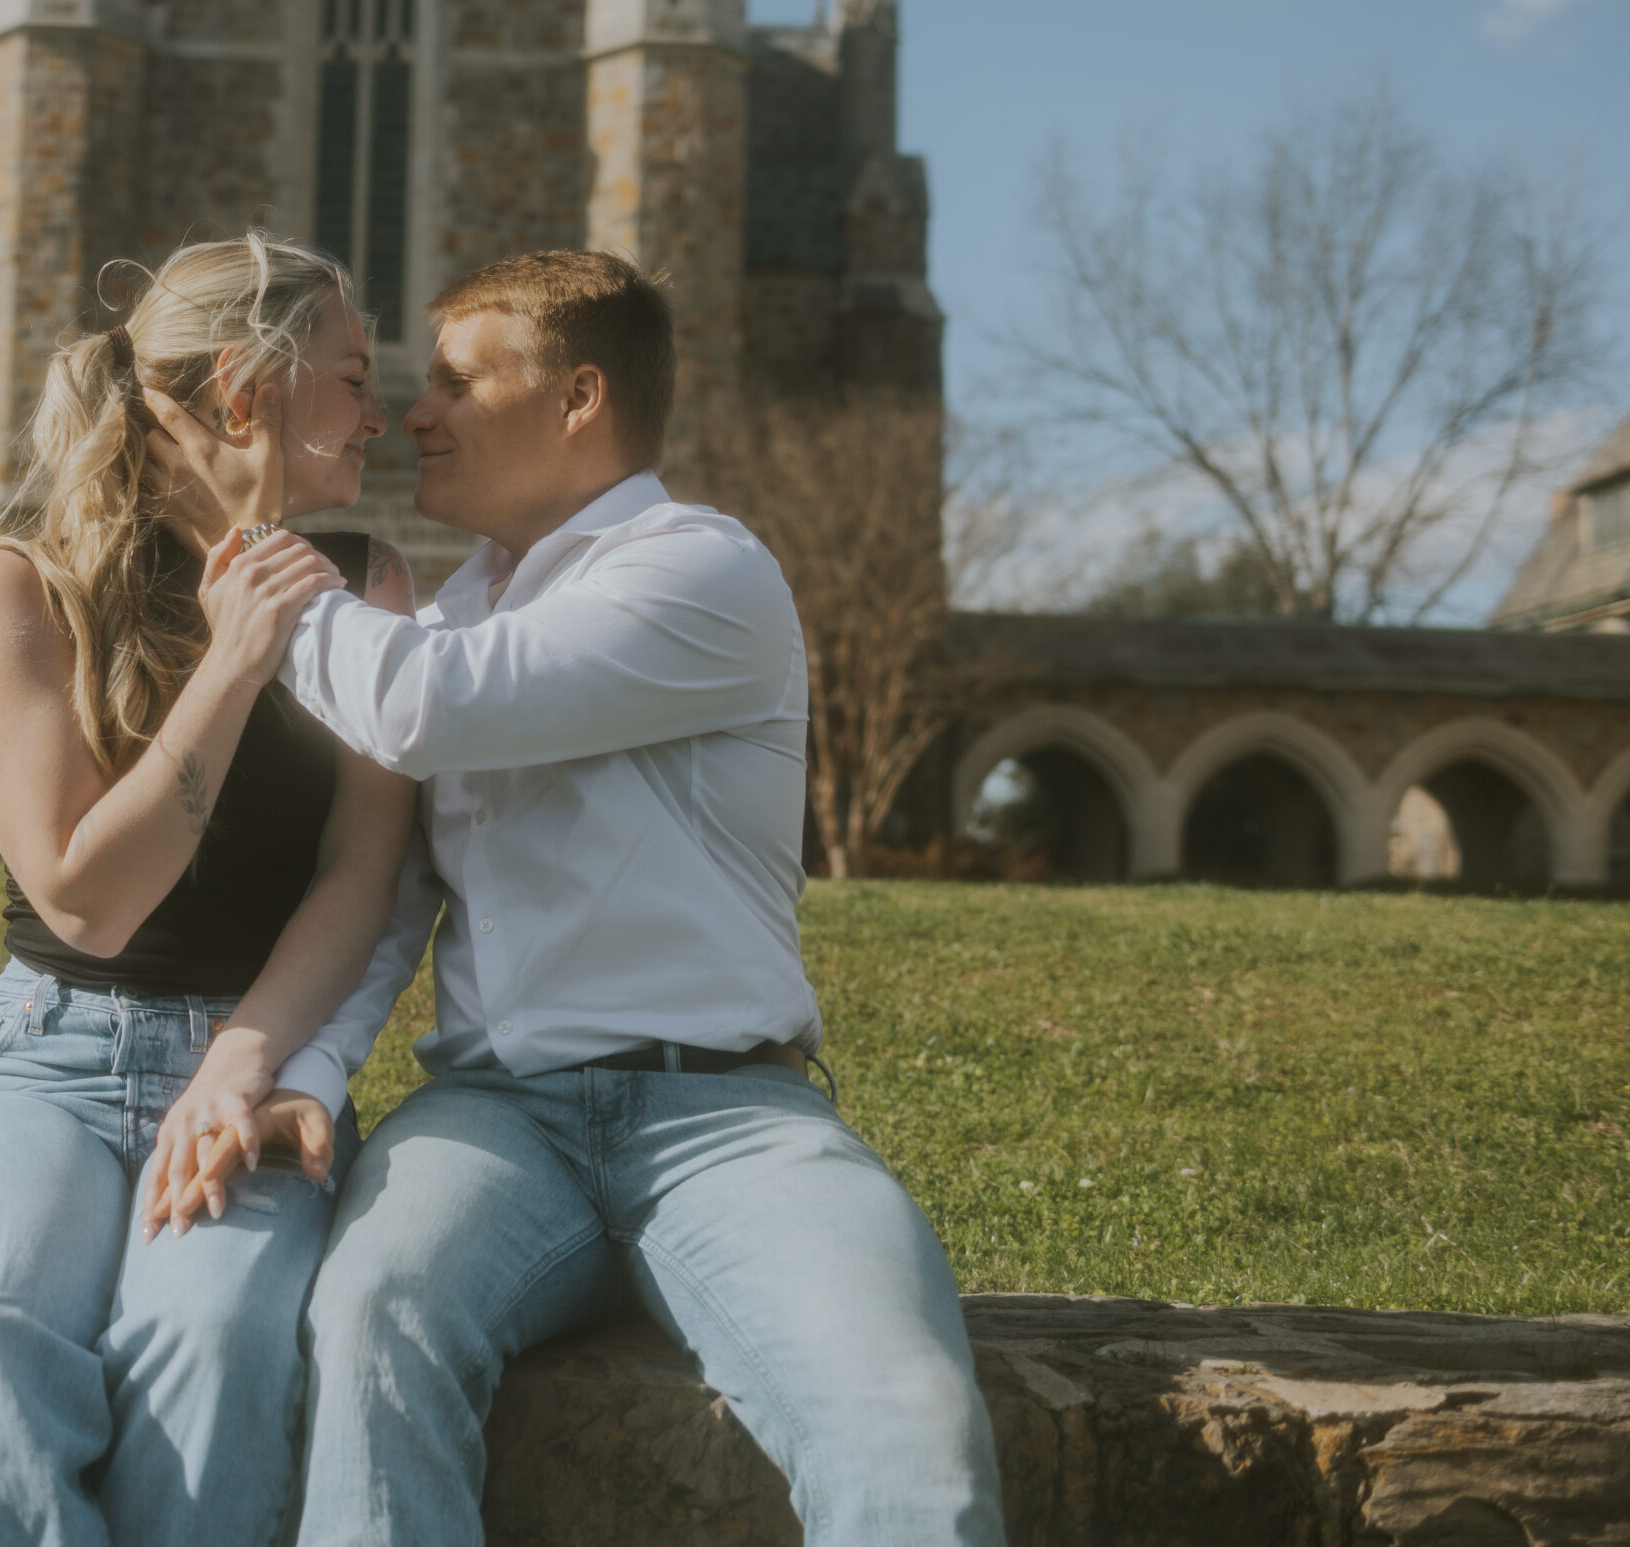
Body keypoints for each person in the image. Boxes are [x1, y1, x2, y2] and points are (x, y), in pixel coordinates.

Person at [148, 250, 1008, 1545]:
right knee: (372, 1318)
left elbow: (432, 711)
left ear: (579, 399)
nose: (412, 412)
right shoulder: (457, 611)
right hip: (498, 1125)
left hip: (728, 1118)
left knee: (906, 1420)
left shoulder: (702, 571)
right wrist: (307, 1074)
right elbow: (394, 891)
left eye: (456, 381)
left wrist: (240, 535)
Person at [0, 232, 419, 1547]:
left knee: (215, 1340)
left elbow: (363, 871)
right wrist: (231, 668)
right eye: (350, 377)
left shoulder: (366, 577)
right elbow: (83, 900)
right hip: (46, 1060)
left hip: (256, 1067)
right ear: (249, 391)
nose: (381, 415)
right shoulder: (24, 586)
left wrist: (245, 1058)